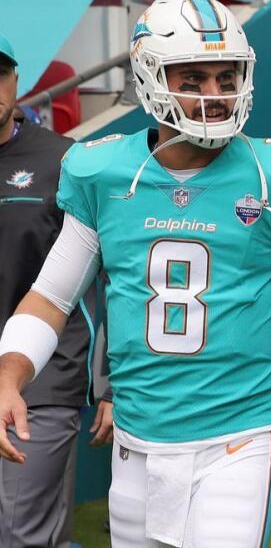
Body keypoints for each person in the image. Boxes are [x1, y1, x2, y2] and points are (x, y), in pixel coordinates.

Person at [0, 0, 271, 548]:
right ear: (151, 77)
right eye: (194, 78)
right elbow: (51, 297)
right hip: (137, 442)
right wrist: (9, 374)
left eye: (226, 78)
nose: (215, 95)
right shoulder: (104, 171)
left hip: (237, 439)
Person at [0, 32, 113, 548]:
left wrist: (110, 383)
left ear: (16, 80)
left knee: (22, 534)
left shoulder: (68, 162)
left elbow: (111, 276)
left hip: (42, 382)